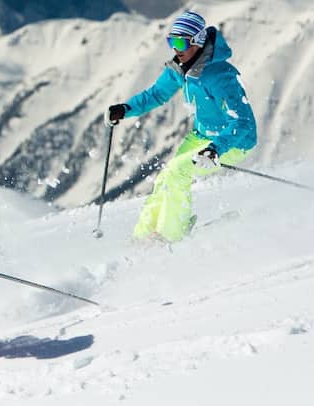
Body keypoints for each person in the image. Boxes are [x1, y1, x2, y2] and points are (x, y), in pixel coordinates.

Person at [106, 11, 257, 242]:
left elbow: (243, 121)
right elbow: (156, 94)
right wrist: (126, 109)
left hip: (233, 141)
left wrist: (216, 149)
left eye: (181, 43)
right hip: (202, 136)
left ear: (197, 41)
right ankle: (142, 237)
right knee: (165, 178)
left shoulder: (220, 75)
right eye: (171, 42)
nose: (176, 49)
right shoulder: (181, 68)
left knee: (178, 173)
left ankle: (170, 237)